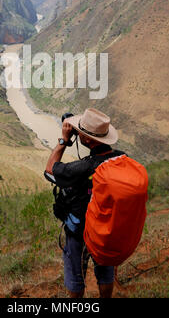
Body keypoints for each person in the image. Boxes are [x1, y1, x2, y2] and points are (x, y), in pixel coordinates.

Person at [45, 108, 121, 299]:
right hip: (107, 228)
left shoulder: (83, 167)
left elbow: (49, 171)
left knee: (75, 275)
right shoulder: (121, 158)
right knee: (105, 270)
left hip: (80, 229)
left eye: (82, 133)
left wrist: (64, 140)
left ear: (87, 140)